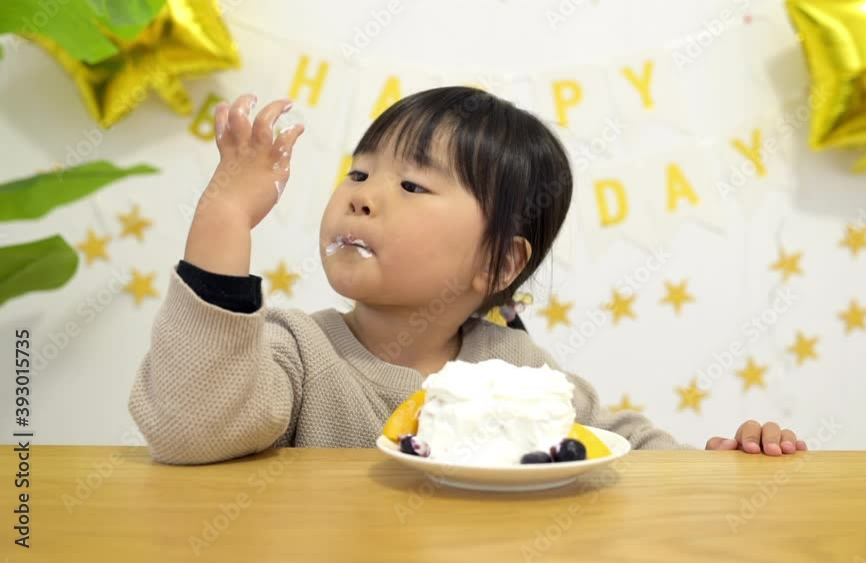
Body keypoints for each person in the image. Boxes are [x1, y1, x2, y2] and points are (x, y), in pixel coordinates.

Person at [128, 87, 806, 464]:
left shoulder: (516, 366)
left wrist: (724, 464)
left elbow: (619, 446)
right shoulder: (295, 352)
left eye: (414, 185)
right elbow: (192, 427)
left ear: (500, 262)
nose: (363, 195)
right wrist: (224, 217)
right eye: (359, 172)